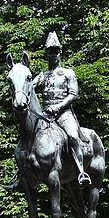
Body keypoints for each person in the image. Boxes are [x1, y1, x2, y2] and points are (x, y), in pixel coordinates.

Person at [33, 32, 91, 186]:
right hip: (45, 115)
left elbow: (73, 94)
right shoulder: (42, 75)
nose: (53, 55)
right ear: (46, 54)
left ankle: (81, 172)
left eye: (56, 51)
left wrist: (57, 107)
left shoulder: (67, 73)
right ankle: (23, 174)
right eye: (50, 51)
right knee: (28, 137)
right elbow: (30, 89)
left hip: (63, 113)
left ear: (60, 53)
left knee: (72, 136)